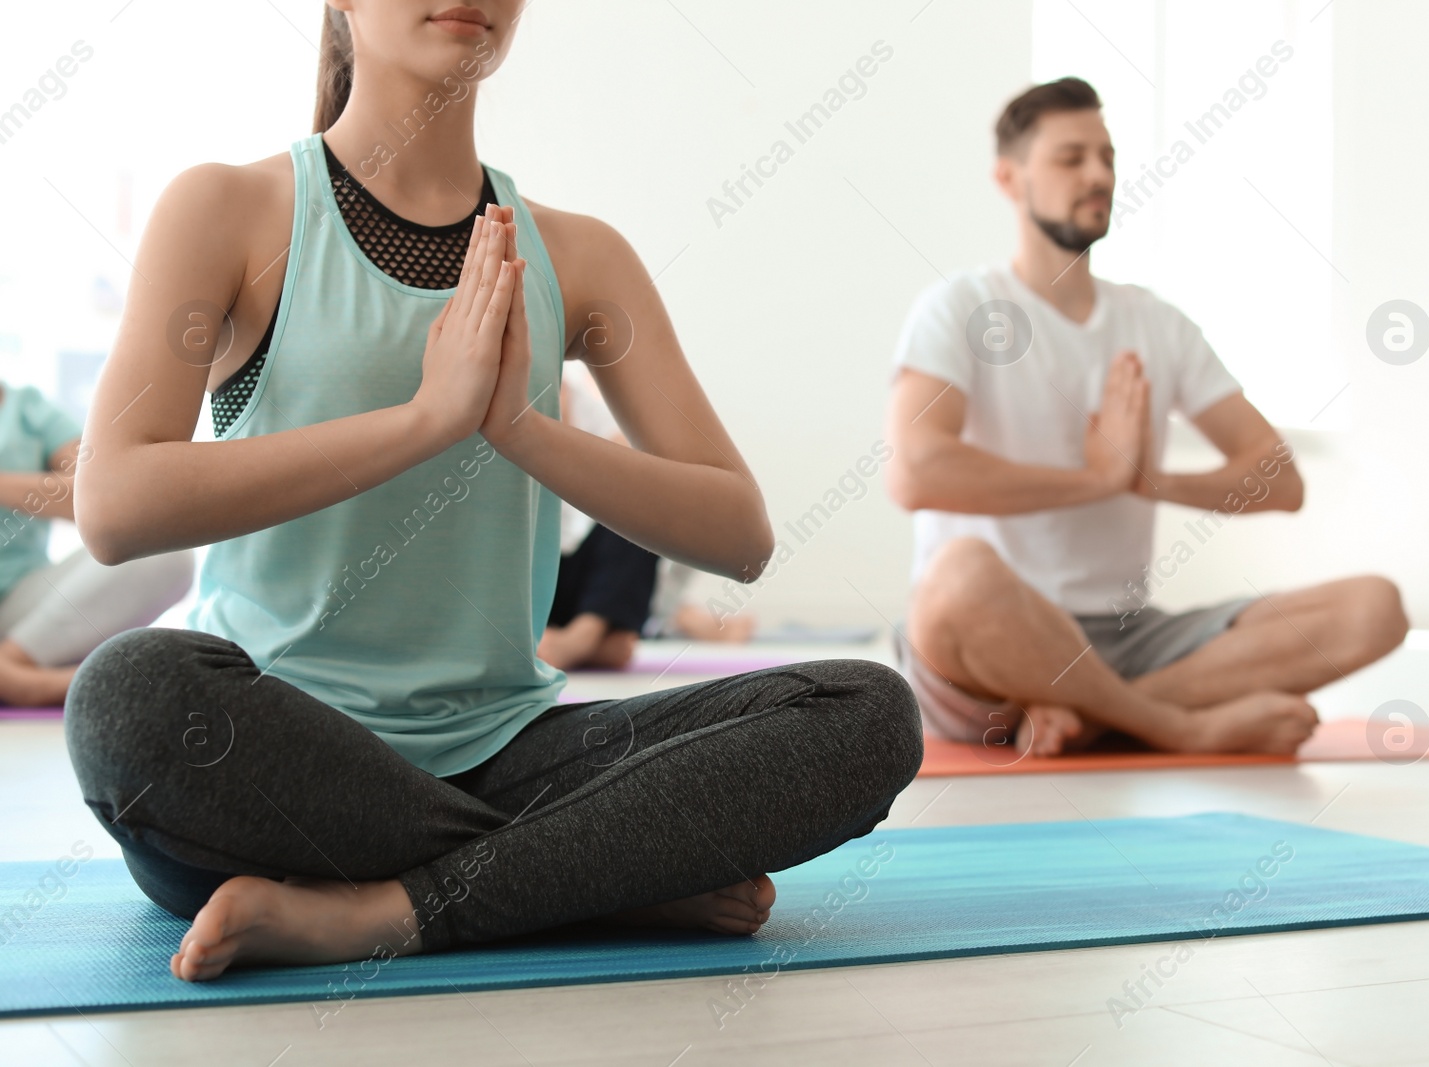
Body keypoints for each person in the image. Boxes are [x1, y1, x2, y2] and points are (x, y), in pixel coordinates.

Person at [63, 0, 921, 984]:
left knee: (863, 710)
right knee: (126, 698)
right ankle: (590, 871)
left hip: (509, 743)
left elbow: (739, 534)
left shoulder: (581, 256)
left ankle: (393, 908)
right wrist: (425, 420)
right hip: (270, 752)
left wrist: (518, 427)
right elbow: (113, 503)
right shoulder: (228, 211)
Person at [884, 77, 1408, 759]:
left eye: (1107, 156)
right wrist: (1095, 478)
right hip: (995, 636)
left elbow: (1279, 478)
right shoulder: (957, 306)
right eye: (1071, 158)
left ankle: (1093, 715)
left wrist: (1147, 480)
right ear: (1010, 179)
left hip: (1129, 635)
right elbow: (915, 472)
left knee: (1375, 608)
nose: (1098, 174)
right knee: (957, 577)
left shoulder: (1155, 322)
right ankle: (1180, 724)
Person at [0, 380, 194, 705]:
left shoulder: (29, 410)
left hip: (18, 606)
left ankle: (15, 665)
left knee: (162, 551)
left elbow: (99, 496)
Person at [538, 363, 661, 670]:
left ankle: (583, 637)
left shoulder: (587, 403)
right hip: (535, 577)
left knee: (642, 509)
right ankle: (598, 643)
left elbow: (642, 474)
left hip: (587, 581)